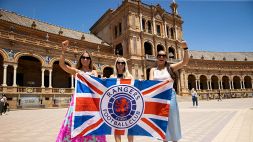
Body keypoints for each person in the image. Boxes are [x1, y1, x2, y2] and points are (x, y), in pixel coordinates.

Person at [56, 40, 106, 142]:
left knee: (91, 122)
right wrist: (63, 51)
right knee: (76, 122)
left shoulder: (94, 72)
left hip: (91, 101)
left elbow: (97, 86)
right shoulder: (76, 71)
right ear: (80, 59)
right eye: (83, 57)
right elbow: (62, 65)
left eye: (87, 57)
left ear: (90, 60)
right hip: (78, 100)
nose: (85, 59)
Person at [149, 41, 189, 142]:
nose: (161, 57)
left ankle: (175, 139)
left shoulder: (170, 67)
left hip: (170, 95)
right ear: (157, 57)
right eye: (159, 55)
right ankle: (164, 140)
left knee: (173, 118)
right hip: (159, 96)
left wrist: (185, 49)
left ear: (166, 58)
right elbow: (150, 83)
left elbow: (184, 62)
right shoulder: (153, 70)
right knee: (161, 119)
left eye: (163, 55)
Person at [110, 57, 134, 142]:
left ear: (125, 65)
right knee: (117, 128)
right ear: (116, 64)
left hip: (128, 105)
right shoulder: (112, 77)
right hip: (116, 105)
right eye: (118, 63)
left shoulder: (129, 76)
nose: (120, 64)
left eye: (122, 63)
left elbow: (134, 90)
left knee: (130, 128)